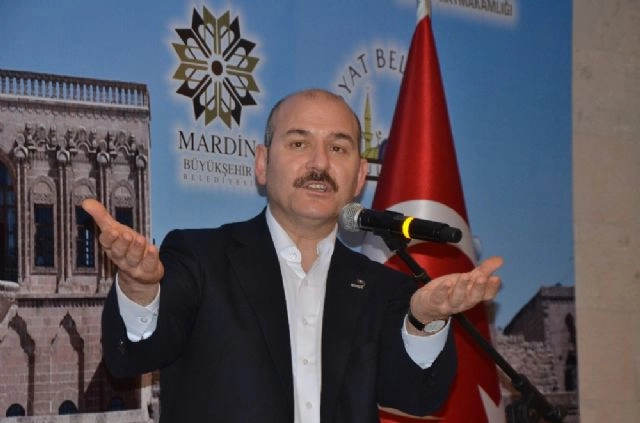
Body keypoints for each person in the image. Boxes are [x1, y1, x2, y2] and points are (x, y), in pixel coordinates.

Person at [83, 89, 502, 423]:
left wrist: (423, 322)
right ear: (262, 164)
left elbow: (417, 397)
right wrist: (140, 289)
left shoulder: (384, 287)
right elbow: (131, 357)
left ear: (360, 177)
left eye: (338, 148)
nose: (319, 163)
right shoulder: (200, 257)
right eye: (299, 143)